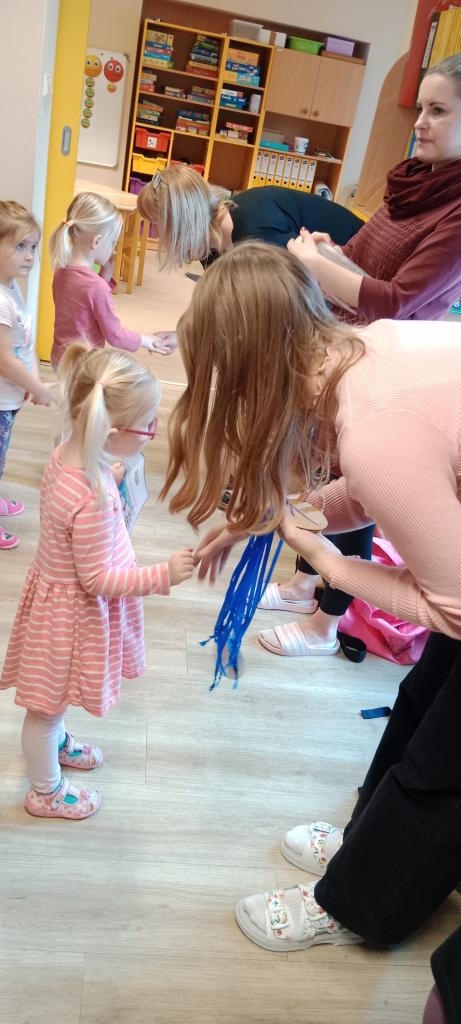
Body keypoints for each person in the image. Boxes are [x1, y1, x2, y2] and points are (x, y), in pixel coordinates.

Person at [160, 240, 461, 952]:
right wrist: (270, 519)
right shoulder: (365, 348)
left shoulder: (374, 425)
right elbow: (382, 480)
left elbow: (454, 609)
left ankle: (360, 904)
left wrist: (331, 565)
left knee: (444, 764)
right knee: (421, 702)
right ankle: (368, 842)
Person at [260, 52, 461, 658]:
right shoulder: (415, 182)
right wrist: (331, 254)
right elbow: (365, 260)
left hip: (382, 371)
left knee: (359, 487)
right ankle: (309, 588)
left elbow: (396, 299)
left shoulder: (456, 210)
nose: (419, 122)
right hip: (353, 354)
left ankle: (326, 624)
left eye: (438, 111)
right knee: (332, 484)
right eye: (420, 108)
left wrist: (316, 266)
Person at [0, 343, 194, 820]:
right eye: (147, 425)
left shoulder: (67, 458)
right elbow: (98, 578)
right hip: (67, 618)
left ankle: (56, 741)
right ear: (110, 431)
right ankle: (45, 791)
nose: (152, 432)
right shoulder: (91, 496)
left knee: (54, 698)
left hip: (58, 605)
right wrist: (163, 575)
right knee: (44, 709)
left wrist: (108, 472)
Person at [136, 165, 362, 352]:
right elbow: (226, 302)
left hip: (357, 271)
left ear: (181, 223)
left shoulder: (256, 231)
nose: (156, 234)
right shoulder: (212, 246)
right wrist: (183, 335)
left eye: (157, 225)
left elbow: (301, 302)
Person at [49, 192, 176, 368]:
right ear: (97, 242)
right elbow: (115, 335)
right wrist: (146, 340)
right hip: (85, 366)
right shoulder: (96, 287)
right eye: (113, 243)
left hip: (60, 359)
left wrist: (106, 274)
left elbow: (83, 310)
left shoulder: (60, 270)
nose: (113, 249)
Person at [0, 200, 55, 550]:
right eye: (20, 246)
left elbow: (25, 343)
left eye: (33, 247)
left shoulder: (11, 288)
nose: (30, 256)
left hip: (8, 399)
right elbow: (4, 361)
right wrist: (38, 387)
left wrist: (33, 381)